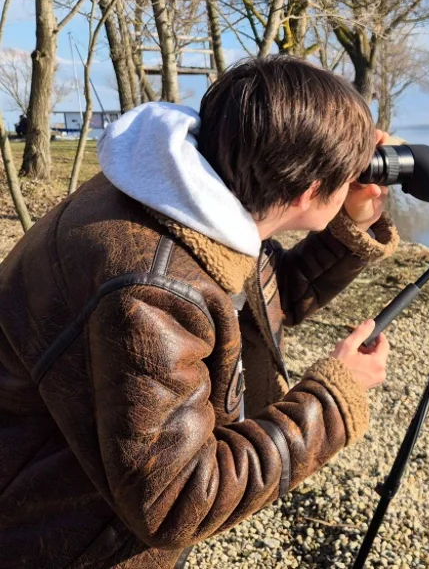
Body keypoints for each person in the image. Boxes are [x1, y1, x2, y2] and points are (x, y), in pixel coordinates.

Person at [0, 56, 399, 568]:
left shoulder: (190, 193)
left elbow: (258, 311)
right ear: (306, 192)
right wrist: (333, 397)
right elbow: (176, 502)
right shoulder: (152, 292)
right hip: (53, 540)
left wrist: (352, 223)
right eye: (346, 177)